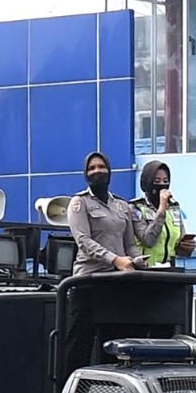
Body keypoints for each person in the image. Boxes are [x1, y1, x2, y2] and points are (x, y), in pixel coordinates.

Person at [62, 151, 145, 375]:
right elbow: (83, 241)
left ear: (109, 171)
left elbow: (130, 244)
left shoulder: (122, 206)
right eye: (92, 168)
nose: (97, 171)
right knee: (79, 344)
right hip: (88, 282)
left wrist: (137, 260)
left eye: (101, 167)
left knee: (113, 344)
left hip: (116, 283)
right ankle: (69, 390)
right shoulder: (79, 203)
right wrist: (115, 260)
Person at [131, 160, 196, 266]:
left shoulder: (174, 207)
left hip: (170, 269)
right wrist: (161, 210)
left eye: (165, 181)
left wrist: (186, 247)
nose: (162, 185)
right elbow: (148, 240)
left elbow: (179, 247)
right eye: (157, 181)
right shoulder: (136, 208)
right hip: (146, 269)